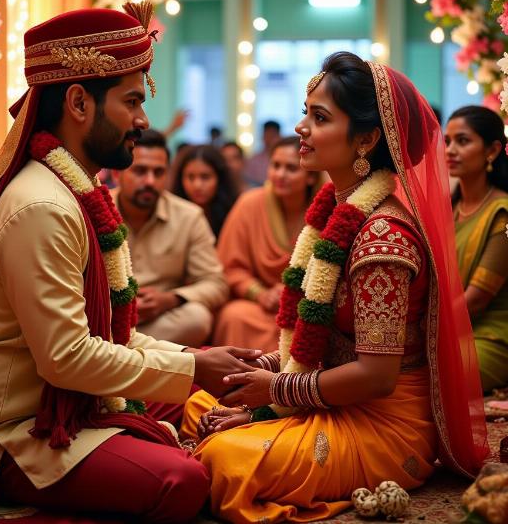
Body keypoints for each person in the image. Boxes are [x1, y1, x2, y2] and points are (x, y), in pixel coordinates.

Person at [0, 4, 261, 523]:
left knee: (197, 404)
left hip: (67, 403)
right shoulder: (42, 207)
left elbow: (106, 335)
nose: (143, 119)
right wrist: (195, 366)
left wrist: (197, 358)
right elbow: (66, 359)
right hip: (14, 433)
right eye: (132, 100)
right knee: (184, 479)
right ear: (77, 102)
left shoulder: (75, 188)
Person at [180, 52, 488, 523]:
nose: (301, 127)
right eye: (306, 112)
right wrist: (262, 369)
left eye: (318, 117)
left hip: (385, 420)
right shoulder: (335, 213)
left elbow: (377, 377)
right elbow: (321, 340)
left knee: (224, 460)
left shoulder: (383, 239)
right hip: (334, 394)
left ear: (365, 139)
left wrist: (277, 388)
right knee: (201, 399)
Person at [112, 129, 228, 346]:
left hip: (158, 320)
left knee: (197, 318)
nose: (150, 181)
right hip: (106, 318)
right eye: (140, 171)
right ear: (117, 173)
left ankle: (120, 353)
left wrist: (170, 299)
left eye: (158, 172)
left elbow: (216, 283)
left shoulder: (188, 216)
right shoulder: (94, 209)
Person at [213, 136, 319, 352]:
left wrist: (297, 294)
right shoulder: (249, 203)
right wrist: (260, 294)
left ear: (310, 177)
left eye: (291, 168)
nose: (280, 175)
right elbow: (229, 267)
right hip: (260, 305)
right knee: (234, 315)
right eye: (275, 166)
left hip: (307, 305)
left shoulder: (326, 208)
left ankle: (292, 384)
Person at [445, 105, 508, 392]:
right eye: (447, 141)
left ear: (492, 151)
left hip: (490, 336)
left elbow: (477, 300)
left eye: (463, 140)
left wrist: (424, 332)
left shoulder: (502, 213)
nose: (450, 150)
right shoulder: (449, 210)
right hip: (448, 328)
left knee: (434, 377)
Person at [171, 144, 239, 239]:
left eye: (205, 177)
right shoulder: (171, 215)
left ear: (220, 179)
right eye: (191, 177)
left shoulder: (234, 214)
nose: (197, 185)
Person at [244, 120, 281, 186]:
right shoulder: (254, 160)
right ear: (263, 136)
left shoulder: (283, 158)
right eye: (267, 135)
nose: (269, 139)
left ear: (279, 136)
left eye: (272, 136)